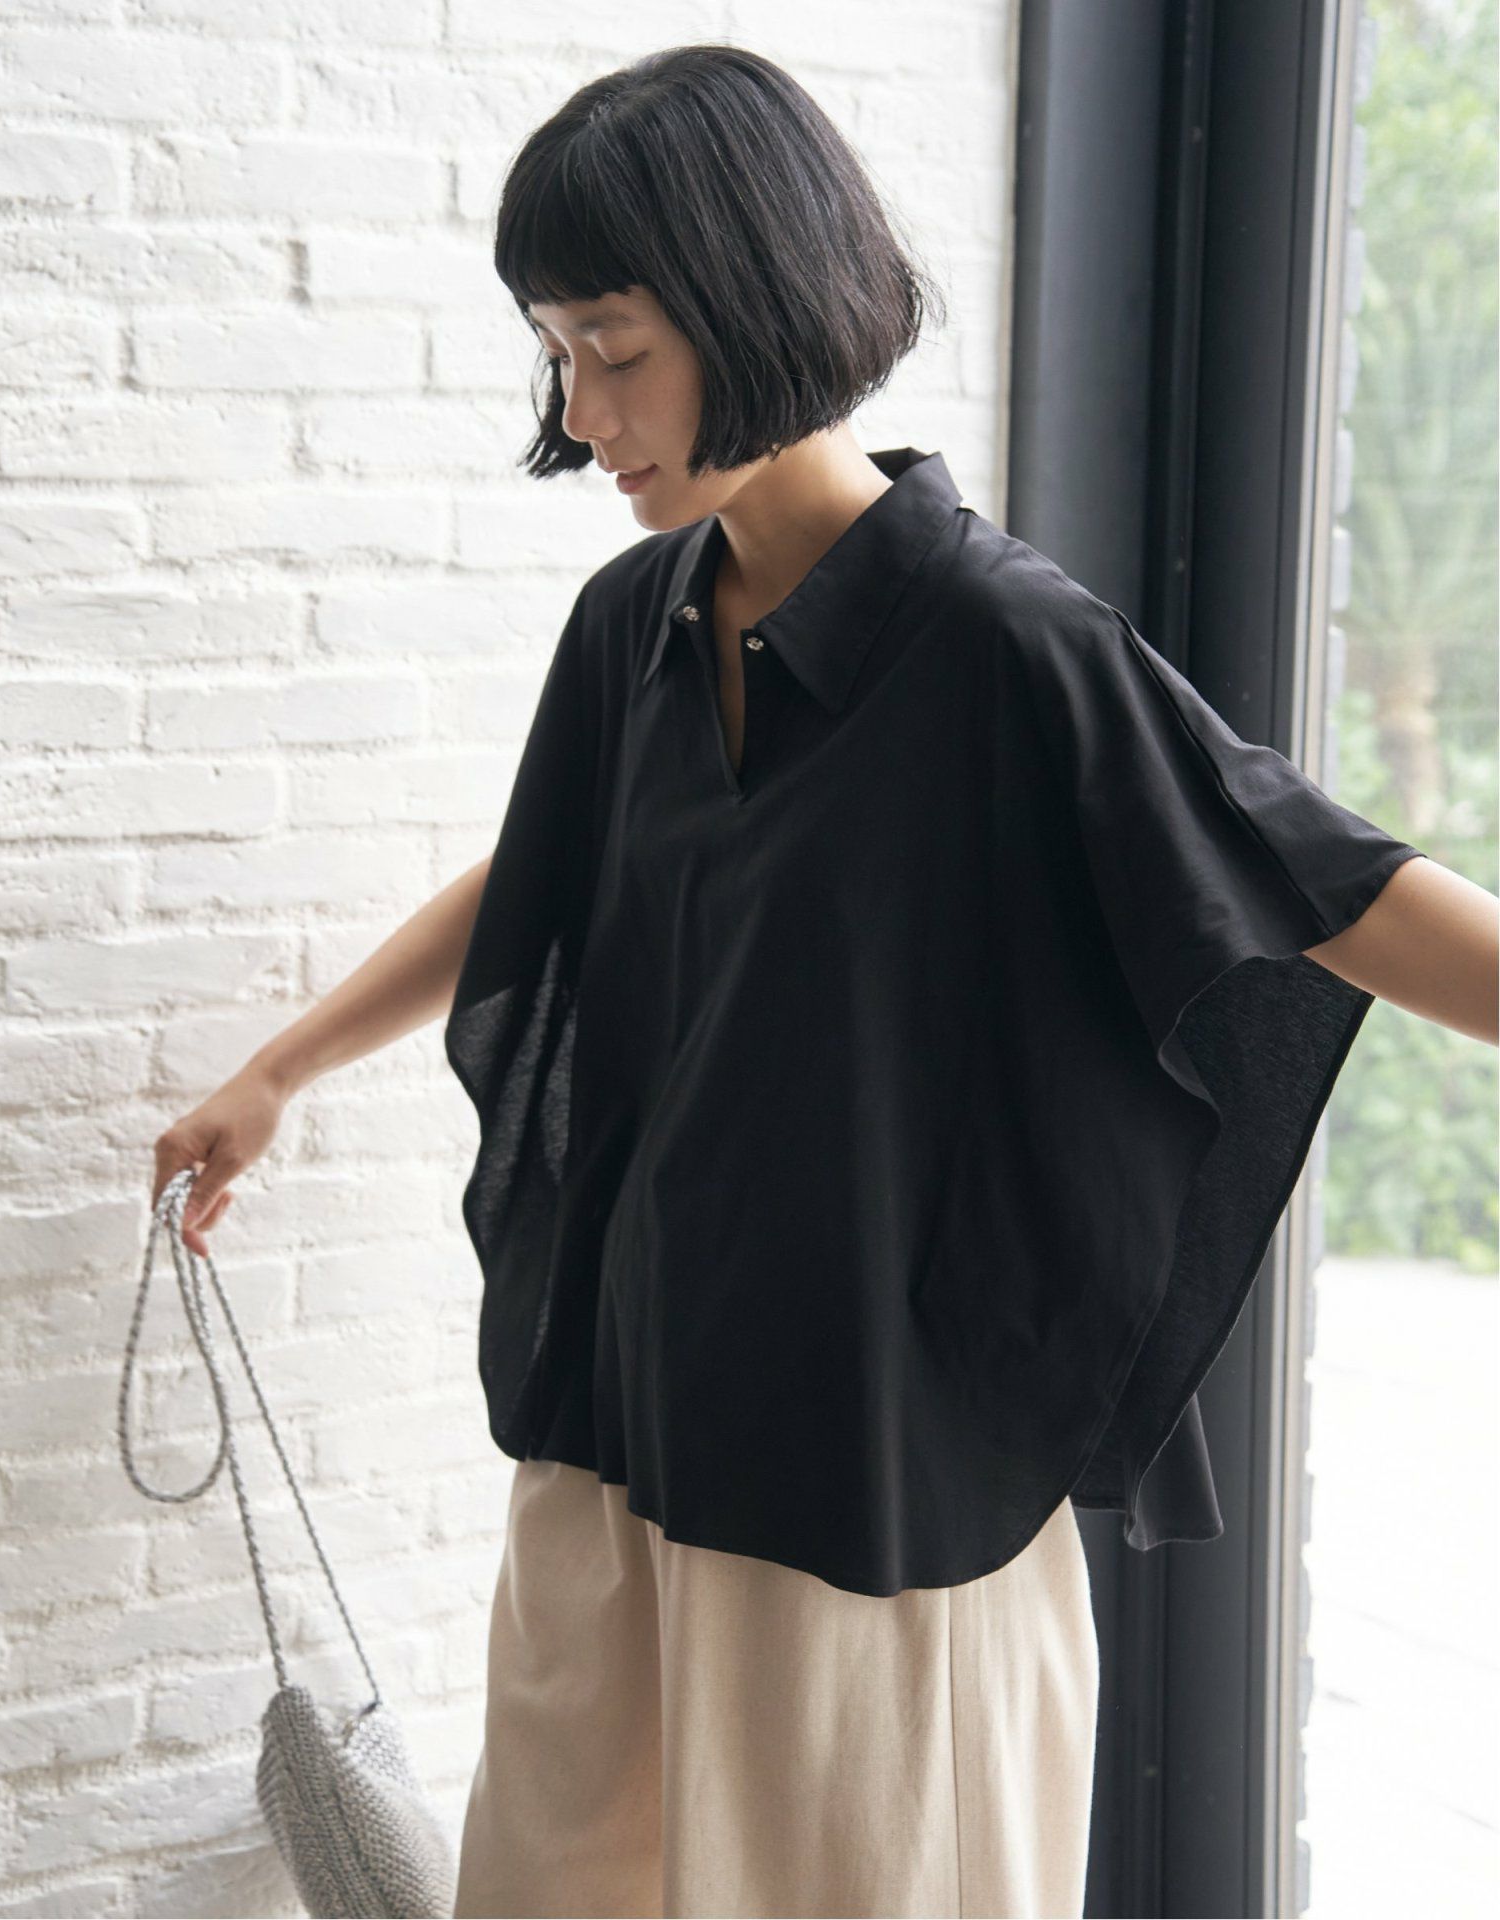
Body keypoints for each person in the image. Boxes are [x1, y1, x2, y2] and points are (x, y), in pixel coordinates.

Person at [150, 43, 1500, 1920]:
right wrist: (281, 1071)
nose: (582, 410)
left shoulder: (1004, 645)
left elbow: (1316, 880)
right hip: (624, 1436)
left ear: (753, 301)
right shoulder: (633, 621)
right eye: (557, 352)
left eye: (614, 349)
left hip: (873, 1484)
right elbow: (543, 879)